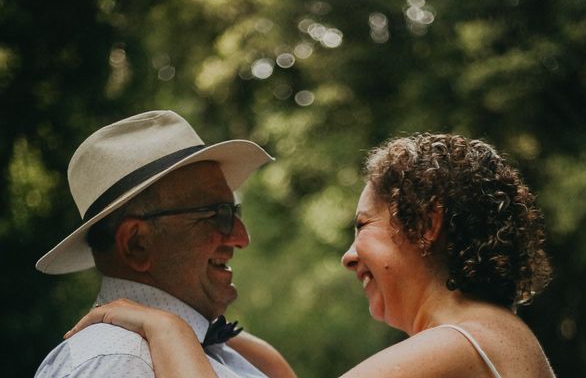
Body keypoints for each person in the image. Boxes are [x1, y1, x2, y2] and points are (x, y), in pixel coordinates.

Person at [65, 132, 556, 377]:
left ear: (427, 225)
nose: (348, 255)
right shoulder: (491, 334)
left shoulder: (456, 345)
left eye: (363, 225)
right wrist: (204, 328)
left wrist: (165, 326)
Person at [34, 110, 296, 378]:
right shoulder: (117, 362)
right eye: (216, 215)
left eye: (233, 212)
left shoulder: (230, 353)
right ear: (136, 243)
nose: (242, 237)